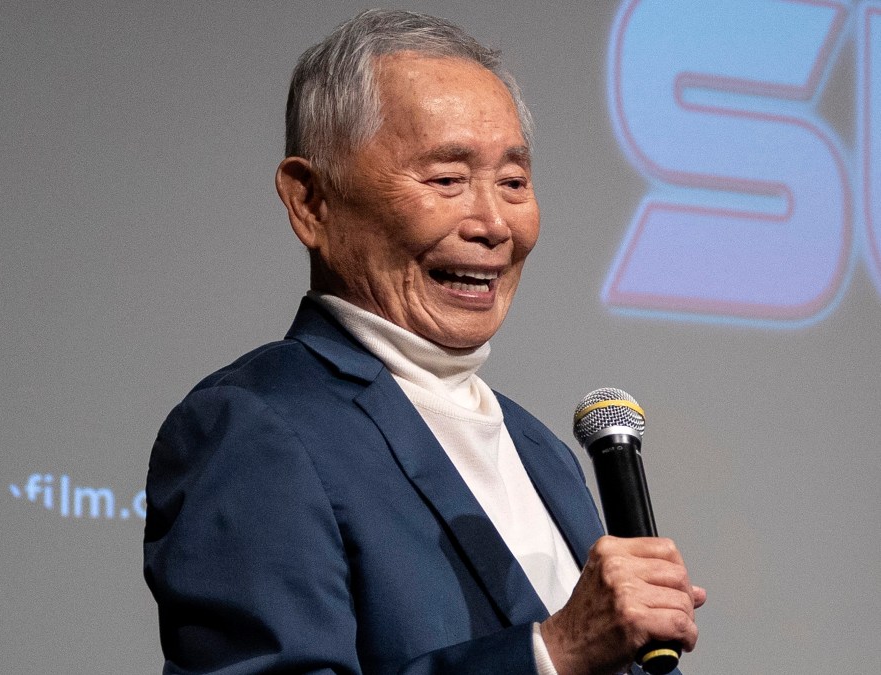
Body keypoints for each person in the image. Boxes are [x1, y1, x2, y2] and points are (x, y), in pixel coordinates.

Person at [143, 9, 705, 675]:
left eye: (513, 183)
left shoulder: (542, 453)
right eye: (446, 180)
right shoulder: (254, 427)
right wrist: (551, 653)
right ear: (311, 201)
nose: (493, 223)